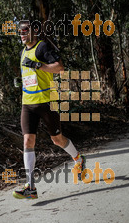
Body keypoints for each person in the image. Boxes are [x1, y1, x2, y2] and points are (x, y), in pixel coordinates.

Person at [12, 21, 86, 199]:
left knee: (57, 139)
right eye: (19, 32)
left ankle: (78, 159)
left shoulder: (42, 47)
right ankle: (30, 187)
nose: (22, 34)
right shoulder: (22, 53)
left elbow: (59, 67)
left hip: (47, 102)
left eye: (25, 31)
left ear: (33, 32)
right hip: (27, 104)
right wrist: (20, 81)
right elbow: (30, 76)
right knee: (27, 141)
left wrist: (39, 66)